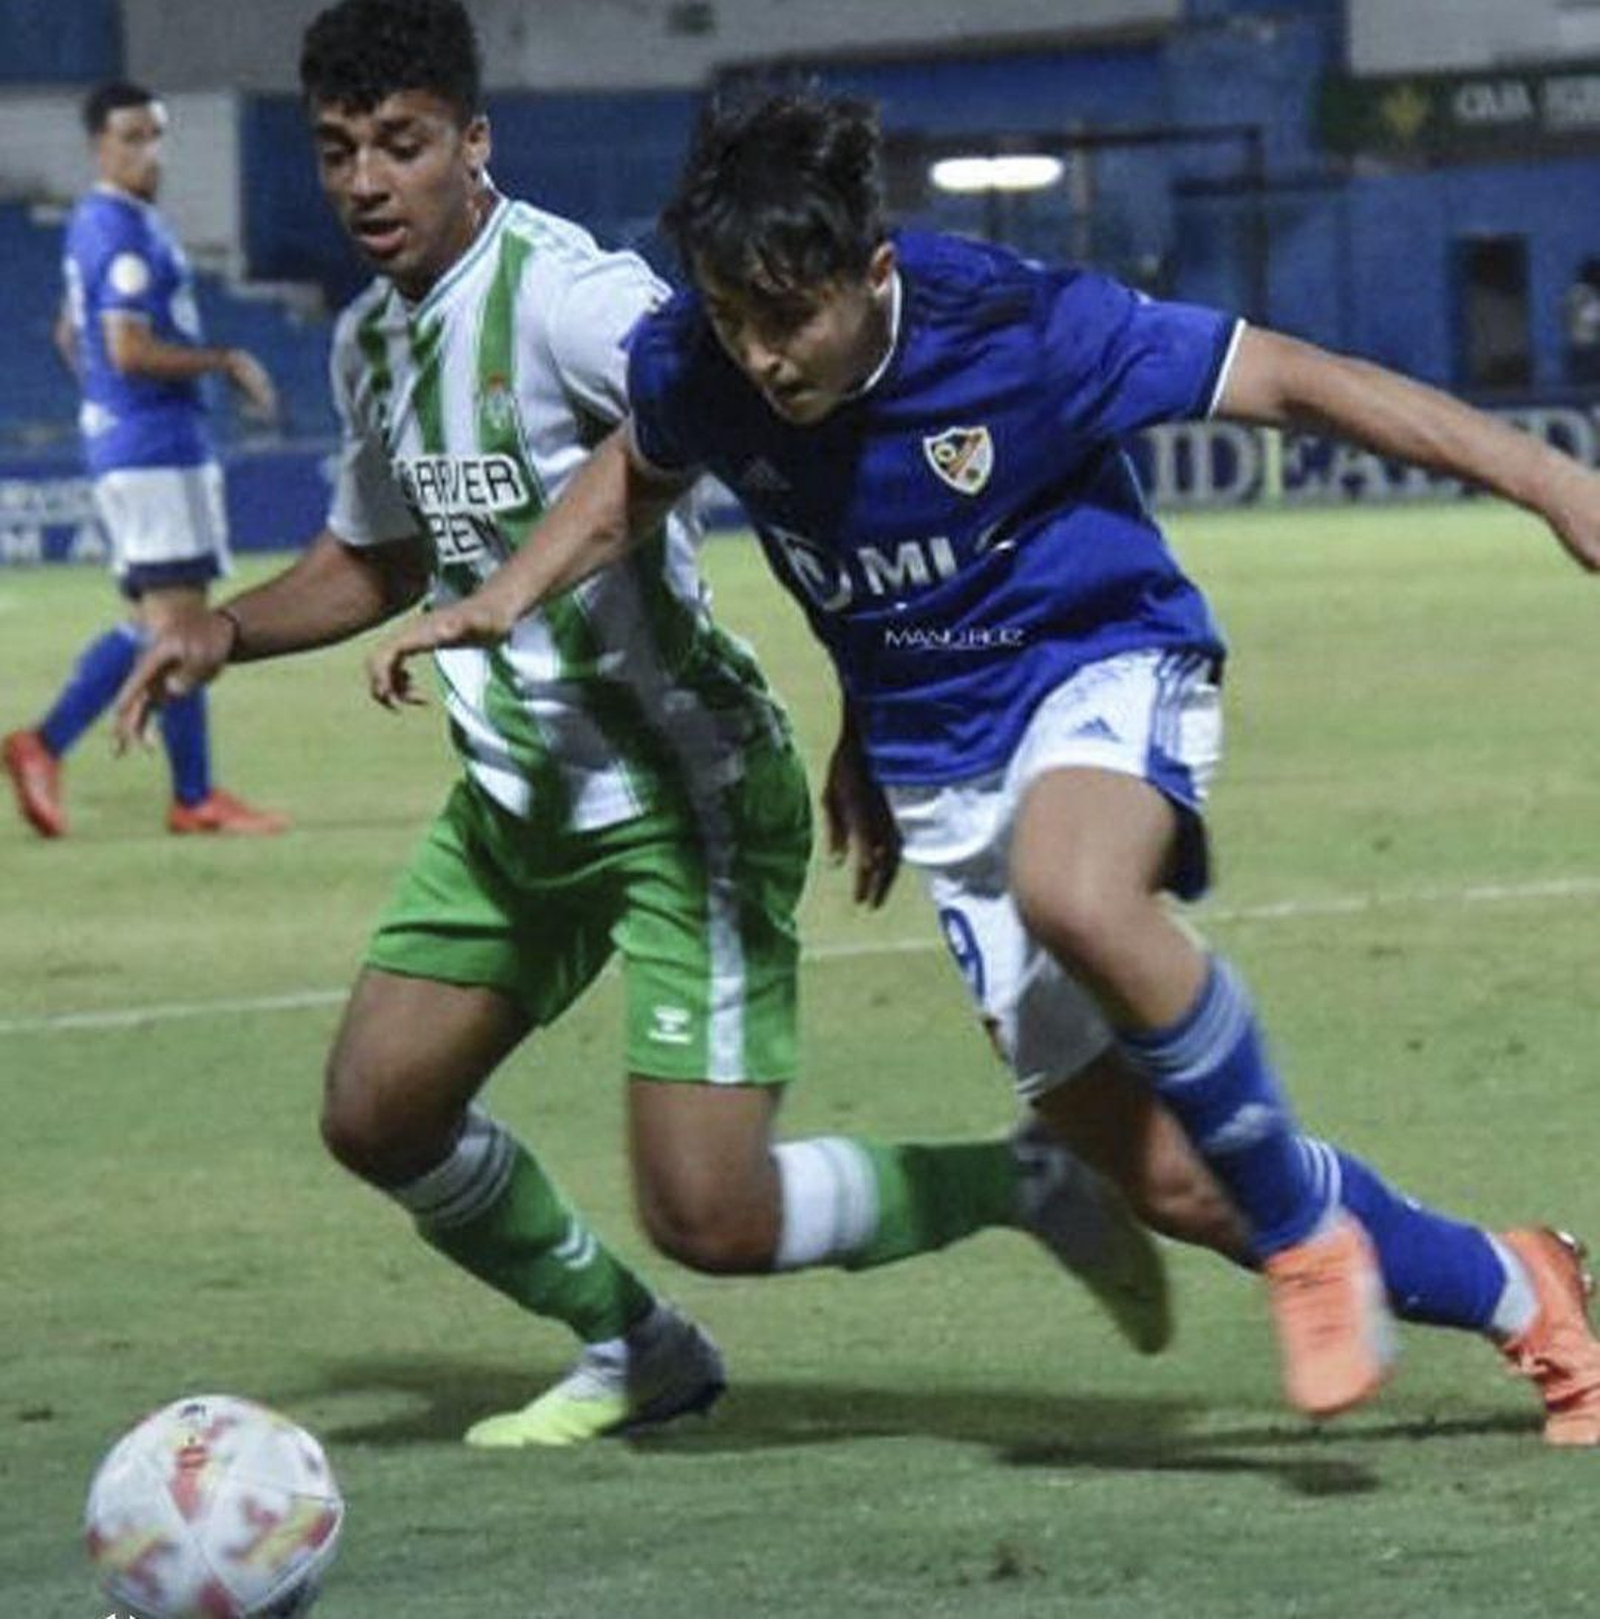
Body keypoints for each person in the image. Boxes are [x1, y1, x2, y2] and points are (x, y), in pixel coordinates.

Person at [365, 85, 1600, 1445]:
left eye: (789, 320)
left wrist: (1551, 481)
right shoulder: (697, 360)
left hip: (1100, 659)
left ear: (873, 273)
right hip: (936, 758)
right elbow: (640, 475)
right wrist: (505, 599)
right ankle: (1514, 1281)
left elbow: (1301, 381)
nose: (760, 357)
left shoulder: (1025, 327)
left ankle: (1311, 1237)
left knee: (1079, 887)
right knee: (1175, 1184)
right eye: (732, 320)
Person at [110, 0, 1253, 1450]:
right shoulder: (367, 346)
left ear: (474, 141)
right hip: (516, 800)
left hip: (680, 797)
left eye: (400, 145)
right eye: (338, 152)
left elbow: (788, 427)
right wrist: (222, 627)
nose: (364, 182)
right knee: (375, 1114)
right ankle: (634, 1344)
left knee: (712, 1208)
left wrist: (871, 698)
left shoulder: (577, 301)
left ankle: (1030, 1181)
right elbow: (384, 560)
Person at [2, 82, 286, 840]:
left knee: (156, 622)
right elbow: (124, 348)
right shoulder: (123, 231)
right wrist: (224, 362)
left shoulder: (94, 225)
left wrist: (105, 411)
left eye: (156, 136)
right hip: (155, 448)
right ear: (101, 144)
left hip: (131, 443)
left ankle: (71, 753)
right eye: (133, 137)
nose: (149, 152)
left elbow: (73, 335)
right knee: (183, 625)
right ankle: (173, 789)